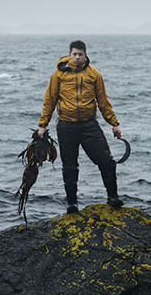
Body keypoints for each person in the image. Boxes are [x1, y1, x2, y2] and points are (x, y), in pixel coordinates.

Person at [37, 40, 123, 214]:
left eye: (80, 54)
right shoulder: (58, 75)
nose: (77, 57)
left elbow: (103, 101)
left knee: (107, 162)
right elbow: (50, 100)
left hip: (89, 126)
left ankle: (113, 198)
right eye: (74, 54)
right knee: (69, 166)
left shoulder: (94, 75)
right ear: (70, 54)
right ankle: (72, 204)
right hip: (66, 126)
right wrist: (42, 125)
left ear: (85, 55)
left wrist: (114, 124)